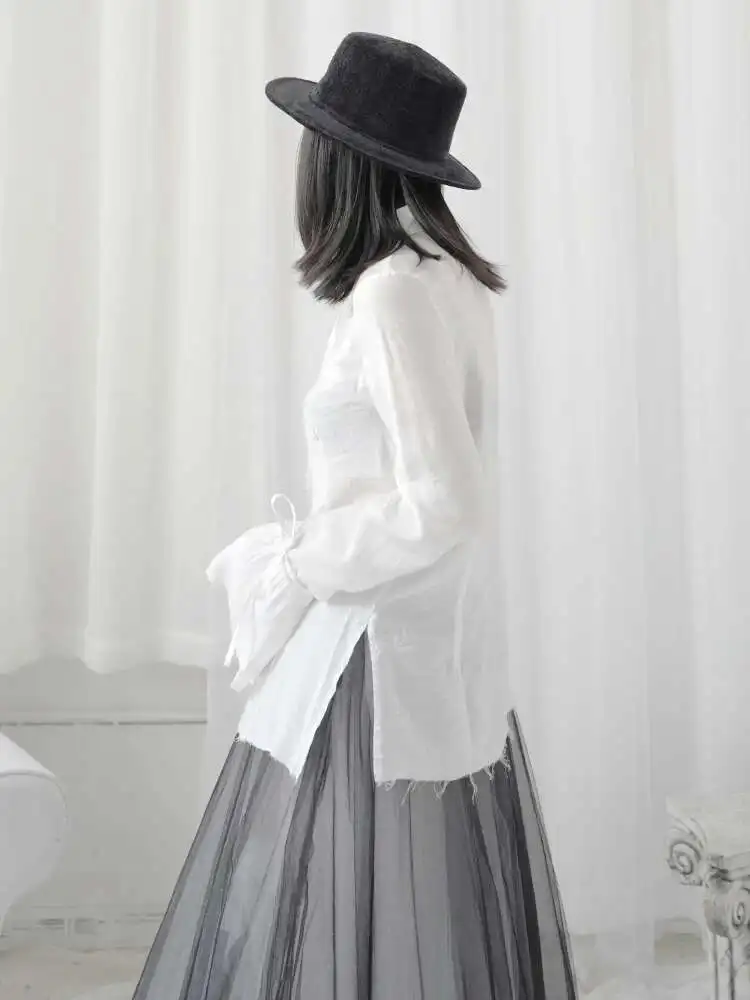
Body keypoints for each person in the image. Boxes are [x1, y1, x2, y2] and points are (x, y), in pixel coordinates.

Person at [132, 31, 578, 1000]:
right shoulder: (448, 279)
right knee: (394, 898)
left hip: (370, 638)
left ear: (338, 160)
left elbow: (445, 498)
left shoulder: (392, 296)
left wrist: (302, 561)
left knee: (320, 896)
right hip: (426, 633)